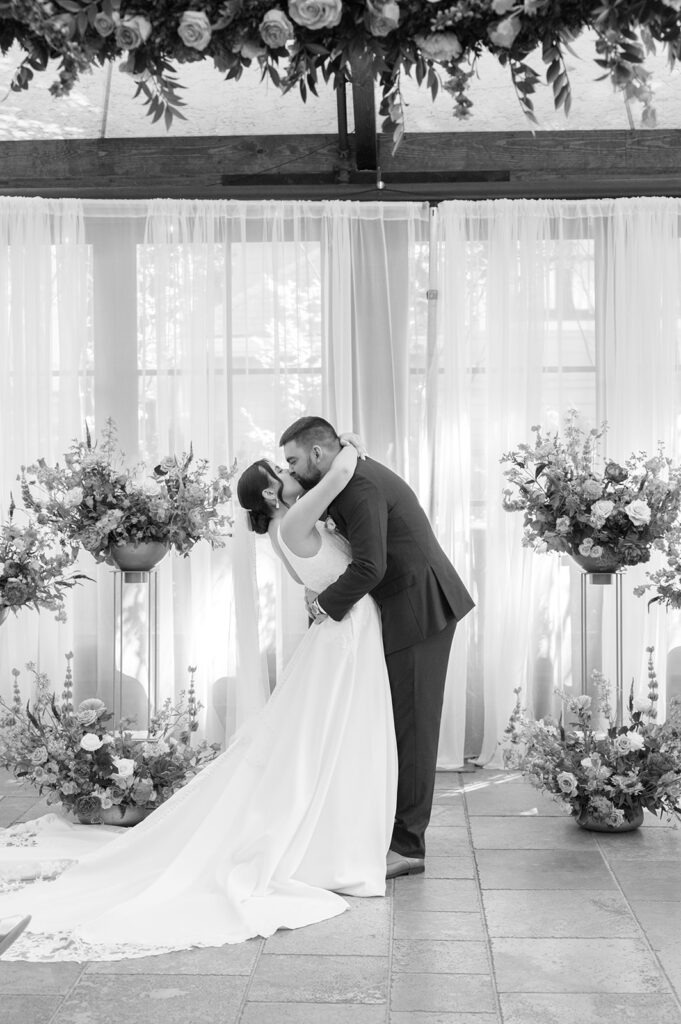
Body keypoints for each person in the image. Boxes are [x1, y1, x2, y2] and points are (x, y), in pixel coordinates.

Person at [0, 441, 397, 962]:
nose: (291, 470)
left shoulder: (286, 525)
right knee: (326, 737)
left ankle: (337, 831)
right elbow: (341, 473)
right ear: (274, 493)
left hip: (342, 629)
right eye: (283, 468)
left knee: (326, 738)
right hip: (345, 632)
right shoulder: (295, 517)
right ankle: (331, 842)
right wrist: (346, 450)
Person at [279, 416, 475, 879]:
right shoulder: (344, 478)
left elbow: (369, 567)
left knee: (415, 728)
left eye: (291, 459)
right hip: (405, 606)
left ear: (318, 454)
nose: (287, 467)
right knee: (400, 724)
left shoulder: (358, 485)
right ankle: (393, 829)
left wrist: (324, 606)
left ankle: (408, 847)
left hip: (421, 609)